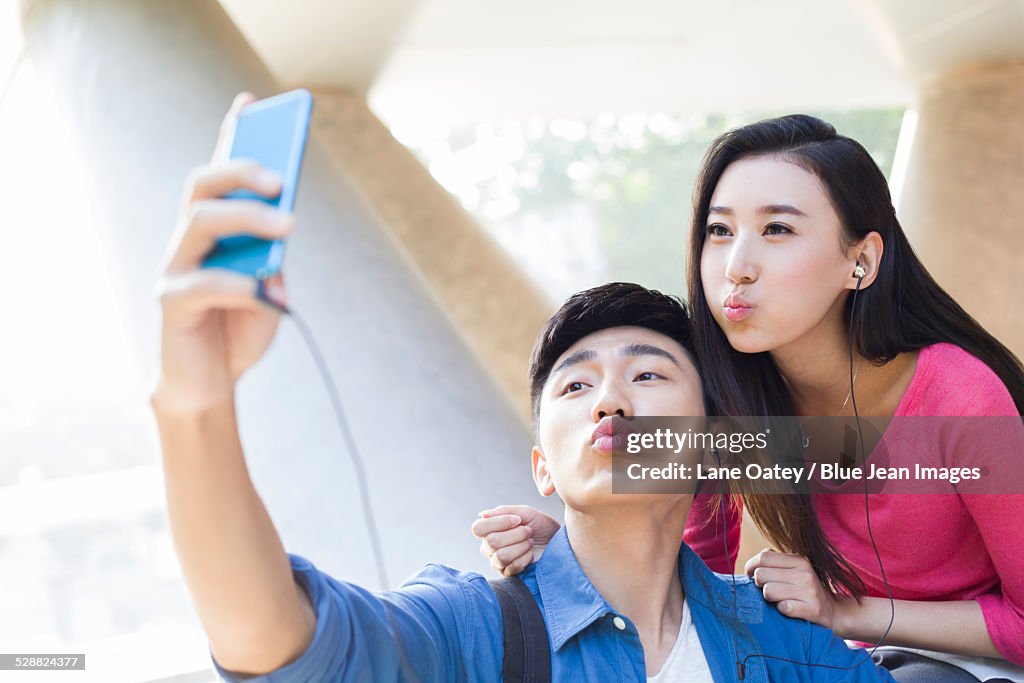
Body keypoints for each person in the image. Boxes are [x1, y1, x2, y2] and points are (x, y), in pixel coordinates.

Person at [151, 99, 896, 679]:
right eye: (575, 386)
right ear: (542, 463)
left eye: (647, 373)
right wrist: (193, 407)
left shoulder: (784, 642)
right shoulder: (474, 631)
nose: (611, 399)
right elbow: (276, 641)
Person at [475, 115, 1024, 681]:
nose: (736, 268)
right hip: (851, 663)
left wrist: (844, 611)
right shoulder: (723, 398)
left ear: (860, 261)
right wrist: (571, 550)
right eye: (720, 231)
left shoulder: (961, 397)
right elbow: (692, 598)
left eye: (777, 230)